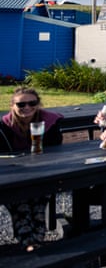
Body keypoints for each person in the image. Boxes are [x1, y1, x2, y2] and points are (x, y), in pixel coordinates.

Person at [1, 87, 63, 251]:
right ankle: (30, 242)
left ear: (38, 104)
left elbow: (56, 148)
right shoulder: (4, 126)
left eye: (32, 103)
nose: (27, 107)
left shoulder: (49, 122)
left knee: (38, 201)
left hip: (42, 171)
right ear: (12, 105)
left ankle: (33, 242)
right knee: (19, 201)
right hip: (15, 174)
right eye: (21, 104)